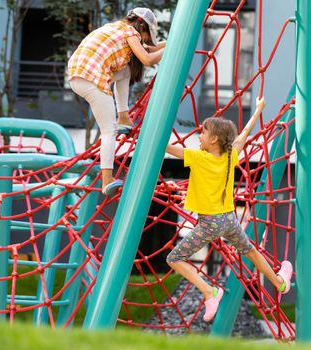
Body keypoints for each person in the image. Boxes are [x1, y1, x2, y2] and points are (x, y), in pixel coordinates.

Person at [165, 97, 293, 322]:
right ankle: (279, 282)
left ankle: (209, 292)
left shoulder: (198, 157)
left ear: (213, 139)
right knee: (250, 251)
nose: (200, 135)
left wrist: (149, 136)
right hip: (229, 219)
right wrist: (259, 110)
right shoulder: (230, 156)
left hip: (210, 223)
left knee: (174, 259)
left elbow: (169, 149)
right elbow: (244, 134)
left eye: (203, 133)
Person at [67, 7, 166, 195]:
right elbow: (147, 58)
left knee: (125, 73)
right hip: (91, 77)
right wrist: (171, 49)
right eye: (146, 34)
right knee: (108, 131)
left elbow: (148, 47)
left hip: (77, 74)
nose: (145, 39)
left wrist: (168, 43)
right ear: (141, 26)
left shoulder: (116, 28)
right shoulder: (131, 32)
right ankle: (107, 181)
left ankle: (124, 116)